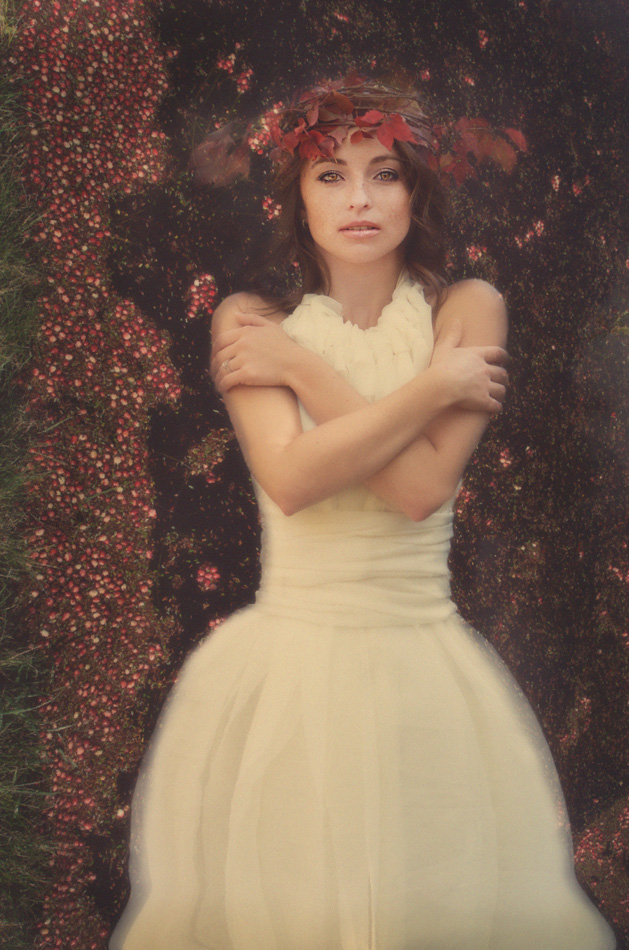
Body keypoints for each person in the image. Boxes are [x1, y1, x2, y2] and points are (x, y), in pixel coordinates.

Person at [110, 79, 616, 950]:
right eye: (330, 177)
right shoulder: (249, 319)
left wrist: (302, 371)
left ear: (415, 194)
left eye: (384, 175)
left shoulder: (467, 308)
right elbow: (290, 479)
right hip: (285, 672)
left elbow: (419, 491)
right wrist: (431, 386)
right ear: (297, 198)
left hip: (422, 666)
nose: (358, 200)